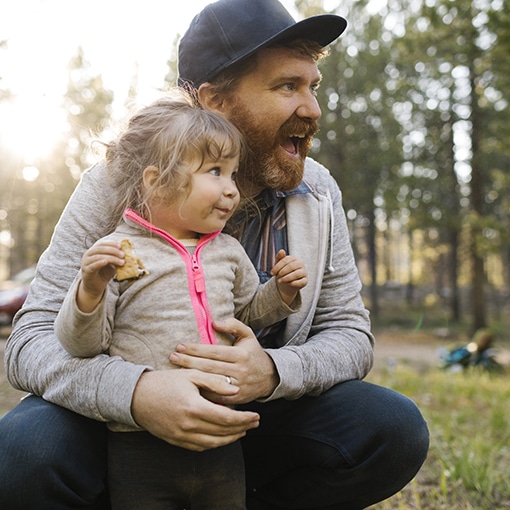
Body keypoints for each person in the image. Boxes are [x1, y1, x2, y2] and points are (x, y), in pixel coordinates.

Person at [0, 0, 430, 509]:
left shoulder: (316, 192)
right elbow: (29, 341)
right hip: (122, 432)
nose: (312, 108)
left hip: (249, 420)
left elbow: (350, 334)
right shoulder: (122, 183)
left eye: (312, 86)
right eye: (286, 86)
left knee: (391, 428)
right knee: (26, 452)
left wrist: (270, 372)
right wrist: (137, 393)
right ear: (212, 102)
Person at [53, 92, 307, 510]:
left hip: (222, 434)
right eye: (215, 172)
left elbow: (246, 312)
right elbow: (83, 346)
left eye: (233, 174)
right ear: (155, 181)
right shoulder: (117, 251)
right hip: (141, 441)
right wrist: (89, 292)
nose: (231, 190)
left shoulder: (226, 250)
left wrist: (280, 294)